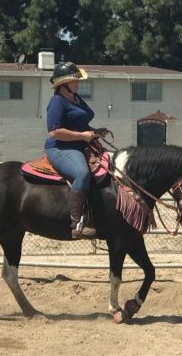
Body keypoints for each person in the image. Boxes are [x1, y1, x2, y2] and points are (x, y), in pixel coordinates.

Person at [44, 61, 109, 239]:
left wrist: (94, 132)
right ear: (63, 84)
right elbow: (54, 131)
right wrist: (83, 136)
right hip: (60, 147)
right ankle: (77, 222)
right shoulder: (57, 101)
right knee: (82, 173)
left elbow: (79, 123)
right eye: (74, 81)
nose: (78, 83)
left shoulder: (75, 97)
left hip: (81, 144)